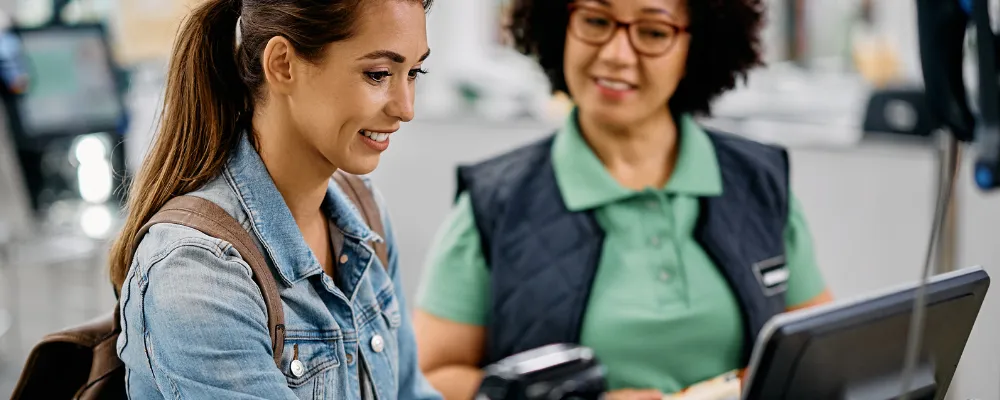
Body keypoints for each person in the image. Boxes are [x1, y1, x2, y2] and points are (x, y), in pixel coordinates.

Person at [412, 0, 833, 399]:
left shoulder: (759, 182)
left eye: (652, 32)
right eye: (596, 21)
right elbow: (429, 378)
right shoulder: (495, 205)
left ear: (698, 44)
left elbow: (821, 352)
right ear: (561, 25)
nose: (616, 54)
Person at [108, 0, 439, 398]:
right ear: (282, 64)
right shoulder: (195, 271)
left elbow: (410, 391)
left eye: (414, 72)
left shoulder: (364, 213)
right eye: (379, 74)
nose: (406, 108)